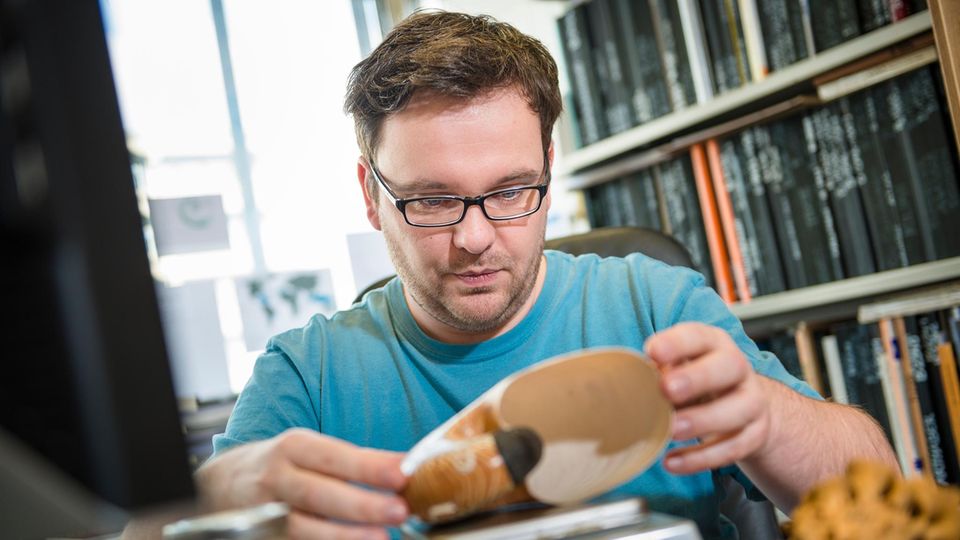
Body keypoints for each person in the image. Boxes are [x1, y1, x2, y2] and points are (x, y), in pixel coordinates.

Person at [196, 10, 897, 540]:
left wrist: (768, 418)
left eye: (509, 191)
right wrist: (219, 499)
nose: (474, 238)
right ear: (370, 196)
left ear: (549, 174)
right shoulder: (307, 372)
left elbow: (882, 492)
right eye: (433, 200)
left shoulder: (655, 304)